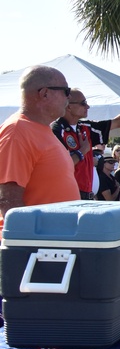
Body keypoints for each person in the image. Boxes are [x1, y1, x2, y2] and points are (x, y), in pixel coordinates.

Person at [0, 66, 78, 229]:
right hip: (37, 249)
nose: (69, 97)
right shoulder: (18, 132)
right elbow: (9, 201)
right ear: (44, 93)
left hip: (53, 244)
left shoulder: (40, 129)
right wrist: (27, 247)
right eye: (66, 90)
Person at [51, 84, 120, 199]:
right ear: (68, 106)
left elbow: (118, 123)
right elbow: (60, 165)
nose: (87, 106)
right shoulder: (57, 130)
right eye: (83, 103)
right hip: (67, 195)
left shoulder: (85, 127)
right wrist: (83, 150)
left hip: (85, 195)